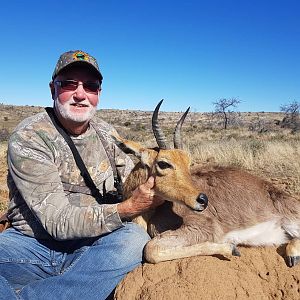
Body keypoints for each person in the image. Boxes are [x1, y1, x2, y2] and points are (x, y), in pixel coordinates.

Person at [0, 50, 163, 299]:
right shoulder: (30, 137)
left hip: (94, 245)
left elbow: (132, 180)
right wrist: (128, 208)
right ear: (53, 89)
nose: (80, 94)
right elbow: (57, 222)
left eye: (90, 86)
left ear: (98, 94)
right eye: (68, 84)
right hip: (31, 246)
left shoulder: (107, 134)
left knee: (133, 241)